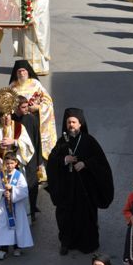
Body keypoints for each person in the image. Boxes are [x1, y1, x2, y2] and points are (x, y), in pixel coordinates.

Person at [47, 108, 114, 255]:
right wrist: (65, 160)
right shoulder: (62, 142)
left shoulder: (89, 141)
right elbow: (52, 161)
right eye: (68, 122)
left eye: (74, 122)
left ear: (80, 124)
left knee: (86, 216)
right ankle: (66, 242)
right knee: (65, 216)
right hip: (67, 188)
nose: (71, 125)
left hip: (85, 188)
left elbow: (100, 162)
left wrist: (85, 164)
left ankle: (87, 243)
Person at [9, 60, 57, 160]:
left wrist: (38, 107)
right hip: (19, 121)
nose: (22, 73)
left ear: (28, 71)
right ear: (16, 73)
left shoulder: (36, 84)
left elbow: (48, 100)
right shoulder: (12, 87)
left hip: (34, 120)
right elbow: (7, 105)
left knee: (35, 142)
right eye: (19, 71)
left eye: (23, 71)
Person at [0, 152, 33, 260]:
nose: (9, 165)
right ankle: (3, 248)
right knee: (4, 227)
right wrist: (2, 192)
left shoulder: (19, 176)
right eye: (7, 163)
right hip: (4, 207)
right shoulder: (1, 174)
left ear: (16, 163)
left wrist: (12, 190)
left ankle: (17, 247)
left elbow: (24, 191)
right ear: (4, 164)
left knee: (17, 226)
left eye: (12, 163)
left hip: (17, 207)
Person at [12, 95, 43, 220]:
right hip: (16, 157)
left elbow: (37, 140)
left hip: (31, 157)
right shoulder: (12, 120)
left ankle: (33, 209)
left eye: (27, 106)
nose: (27, 109)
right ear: (16, 108)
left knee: (32, 184)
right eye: (23, 107)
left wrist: (39, 161)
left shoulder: (32, 119)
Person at [12, 0, 51, 75]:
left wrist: (32, 20)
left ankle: (41, 68)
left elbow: (43, 14)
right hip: (27, 29)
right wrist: (22, 22)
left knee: (39, 46)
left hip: (38, 29)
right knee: (27, 48)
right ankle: (28, 69)